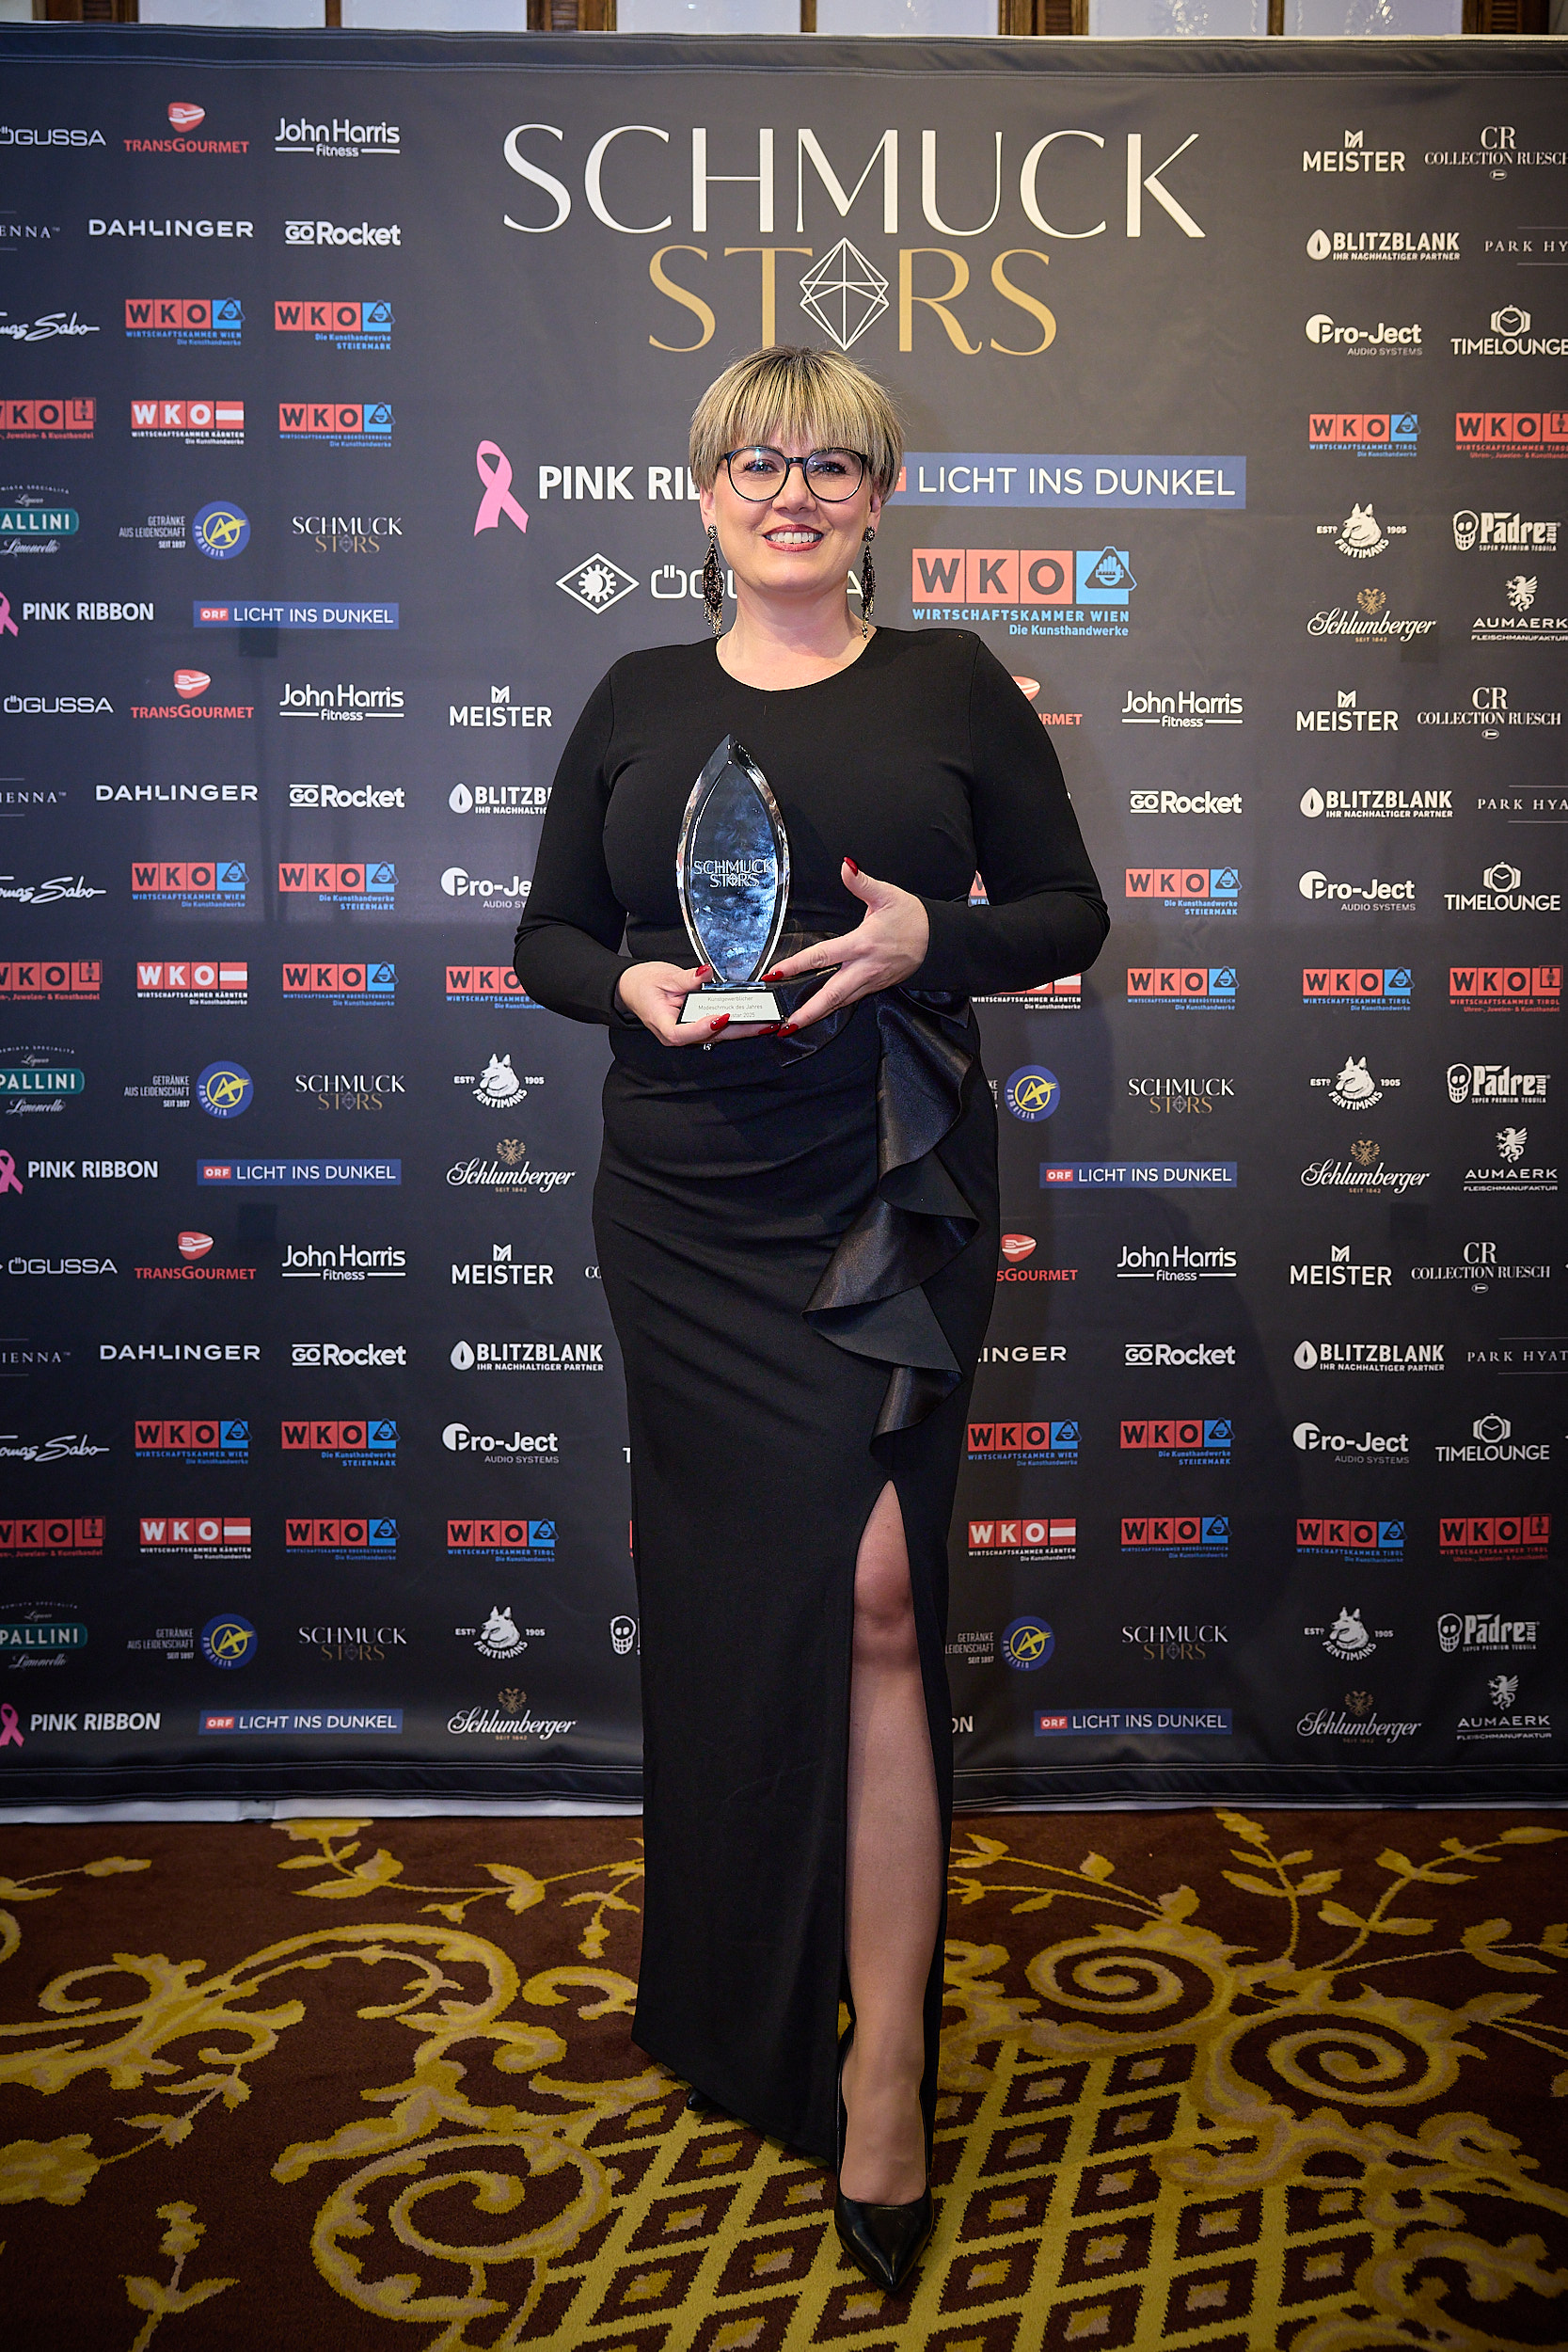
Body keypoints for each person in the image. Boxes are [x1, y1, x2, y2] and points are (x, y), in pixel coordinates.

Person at [513, 344, 1107, 2293]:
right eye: (757, 462)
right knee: (738, 1615)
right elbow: (546, 932)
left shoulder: (949, 684)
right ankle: (733, 1997)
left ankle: (887, 2075)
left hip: (884, 1182)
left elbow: (1069, 910)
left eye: (833, 464)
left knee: (876, 1601)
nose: (794, 491)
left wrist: (943, 938)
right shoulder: (636, 695)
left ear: (877, 496)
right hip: (686, 1205)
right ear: (704, 494)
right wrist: (625, 989)